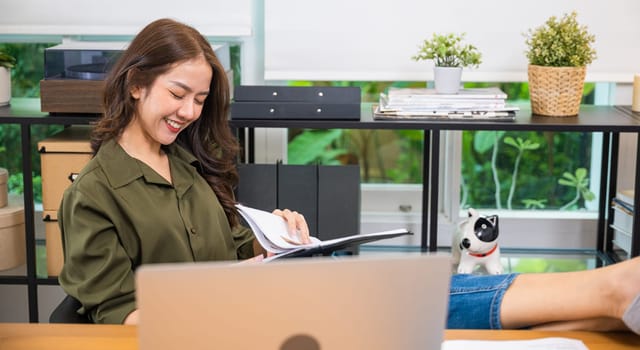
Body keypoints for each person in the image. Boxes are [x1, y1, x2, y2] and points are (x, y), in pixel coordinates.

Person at [58, 18, 640, 334]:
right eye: (177, 94)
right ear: (136, 83)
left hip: (255, 298)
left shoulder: (185, 163)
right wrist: (233, 291)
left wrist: (275, 239)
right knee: (399, 303)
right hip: (220, 325)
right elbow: (119, 319)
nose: (188, 112)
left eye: (200, 99)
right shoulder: (94, 195)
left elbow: (235, 253)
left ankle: (604, 306)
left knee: (403, 288)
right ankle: (613, 291)